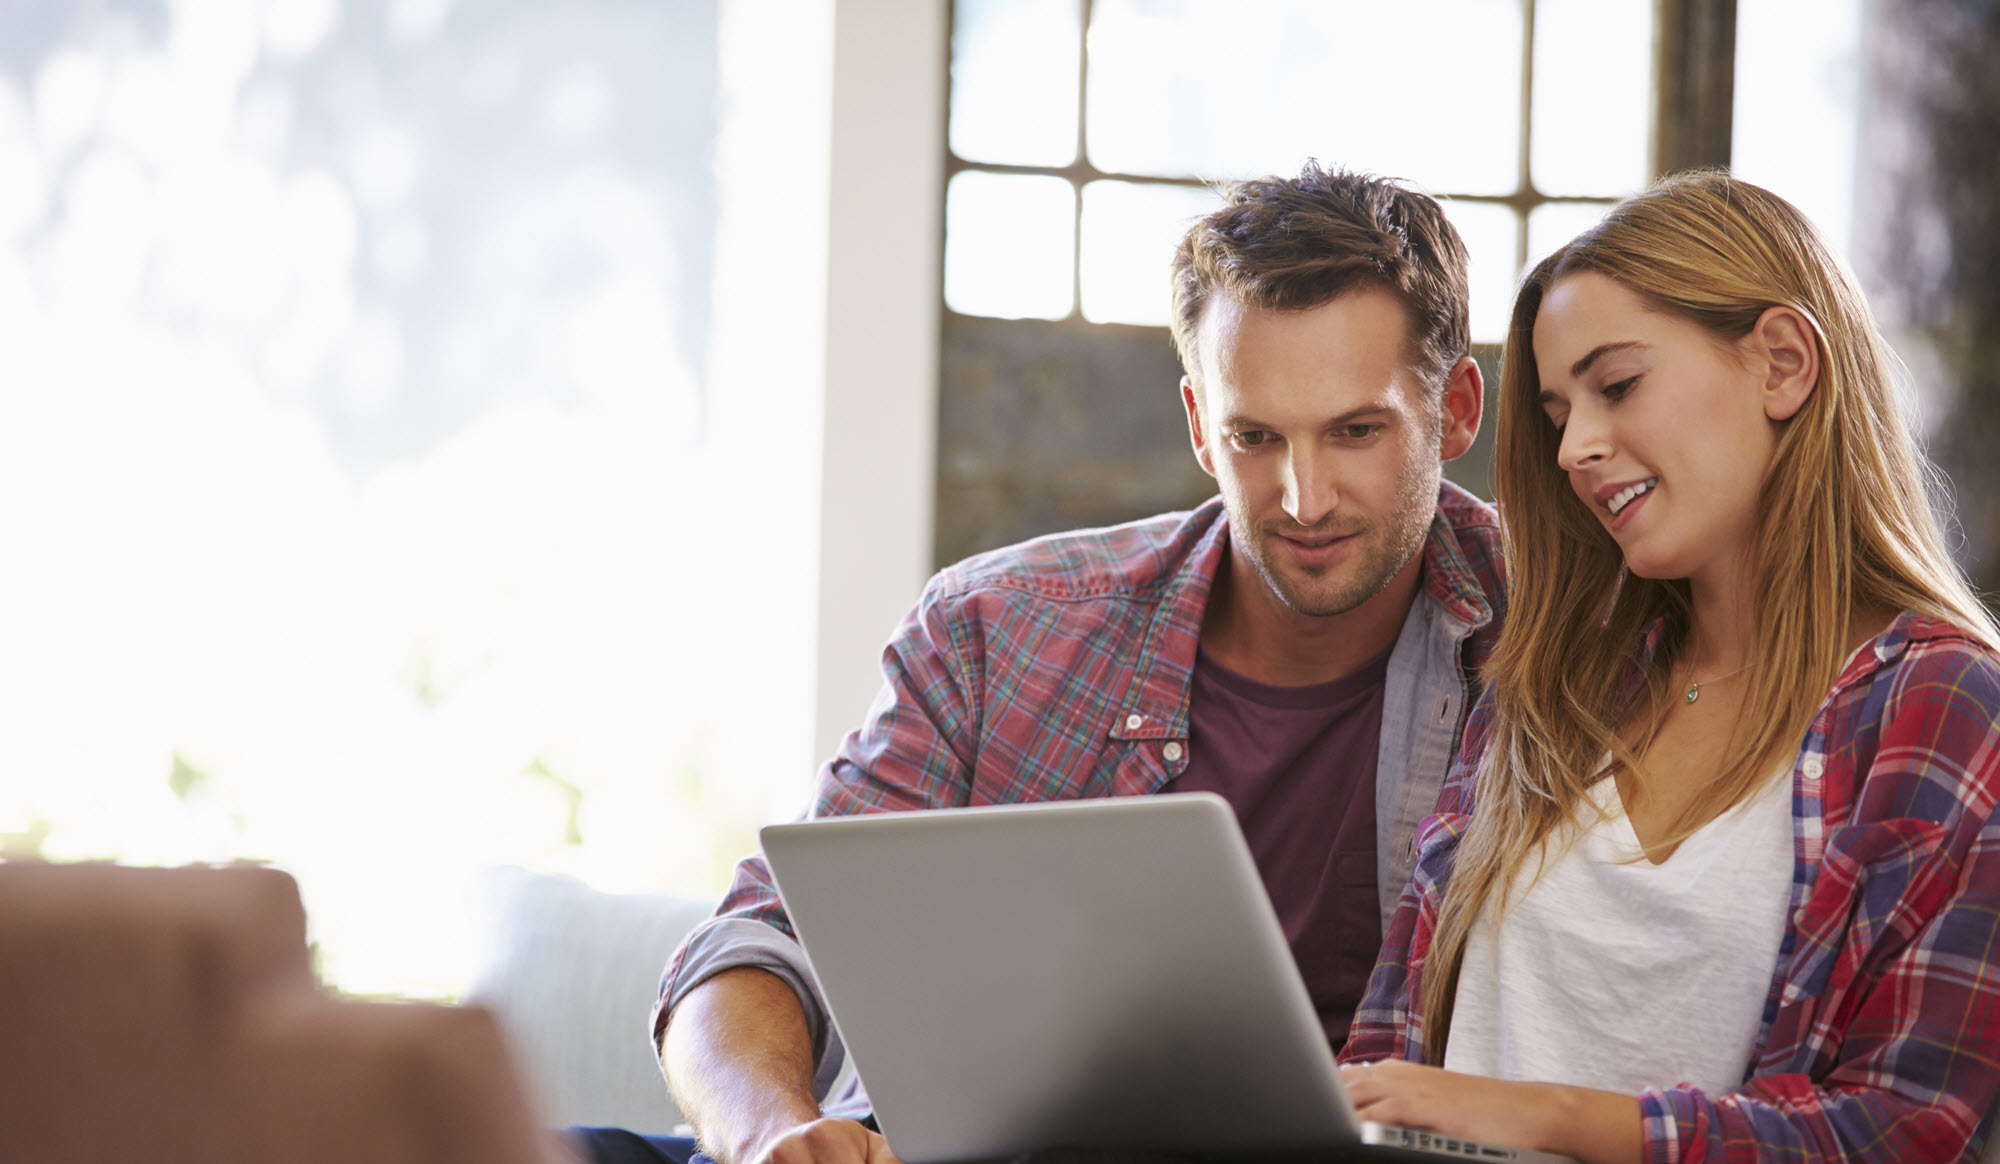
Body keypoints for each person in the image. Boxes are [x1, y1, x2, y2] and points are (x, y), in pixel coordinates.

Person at [566, 163, 1503, 1164]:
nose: (1302, 496)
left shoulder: (1552, 649)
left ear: (1451, 410)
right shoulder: (996, 626)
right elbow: (756, 941)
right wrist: (770, 1134)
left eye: (1355, 433)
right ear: (1197, 425)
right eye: (1253, 437)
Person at [1335, 171, 2000, 1163]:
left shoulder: (1943, 705)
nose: (1572, 449)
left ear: (1780, 363)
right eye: (1558, 411)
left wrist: (1551, 1118)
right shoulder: (1553, 684)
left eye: (1616, 386)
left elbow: (1898, 1125)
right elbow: (1394, 1055)